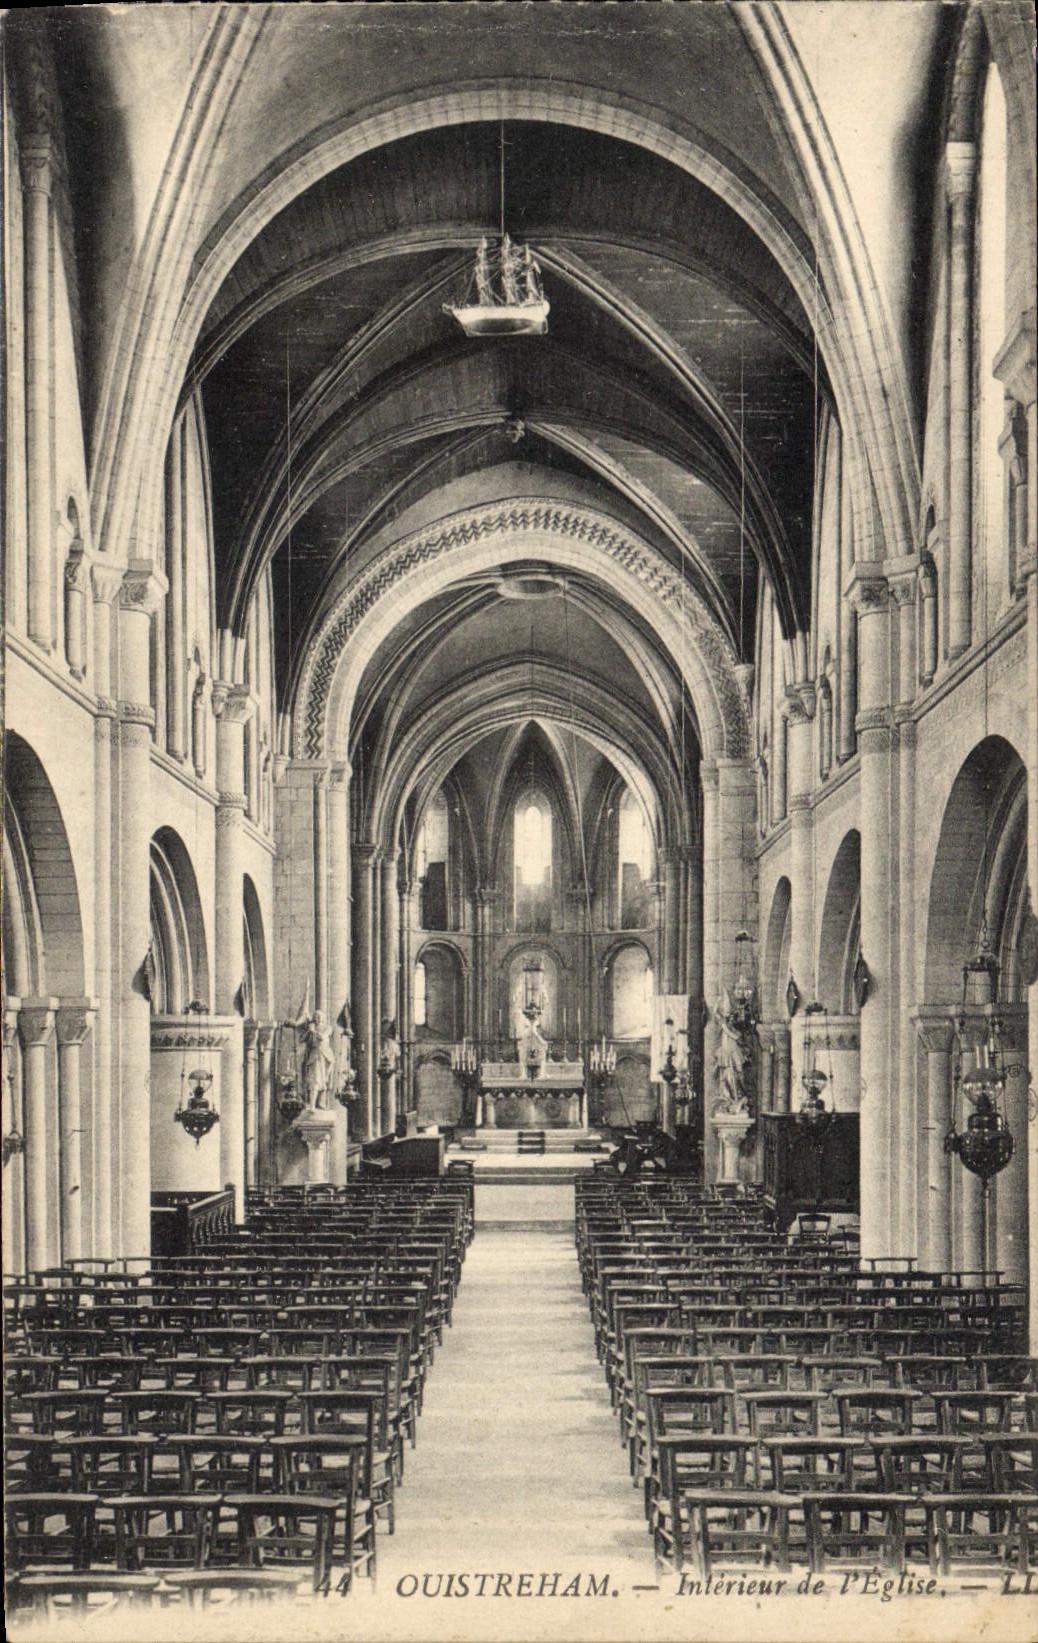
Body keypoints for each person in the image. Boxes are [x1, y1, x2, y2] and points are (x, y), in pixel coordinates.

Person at [713, 989, 748, 1114]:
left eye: (732, 1018)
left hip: (734, 1053)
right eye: (728, 1017)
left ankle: (738, 1098)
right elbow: (715, 1014)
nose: (730, 1019)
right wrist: (718, 1001)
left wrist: (726, 1028)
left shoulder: (733, 1029)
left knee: (739, 1075)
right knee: (726, 1077)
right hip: (726, 1053)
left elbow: (737, 1037)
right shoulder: (723, 1025)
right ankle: (730, 1100)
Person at [297, 1007, 334, 1110]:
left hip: (325, 1055)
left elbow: (322, 1037)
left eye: (319, 1016)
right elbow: (302, 1039)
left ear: (323, 1018)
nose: (317, 1018)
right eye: (315, 1016)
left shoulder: (327, 1027)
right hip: (314, 1056)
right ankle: (312, 1104)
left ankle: (321, 1103)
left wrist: (313, 1031)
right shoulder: (311, 1028)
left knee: (324, 1081)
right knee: (315, 1080)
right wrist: (309, 1031)